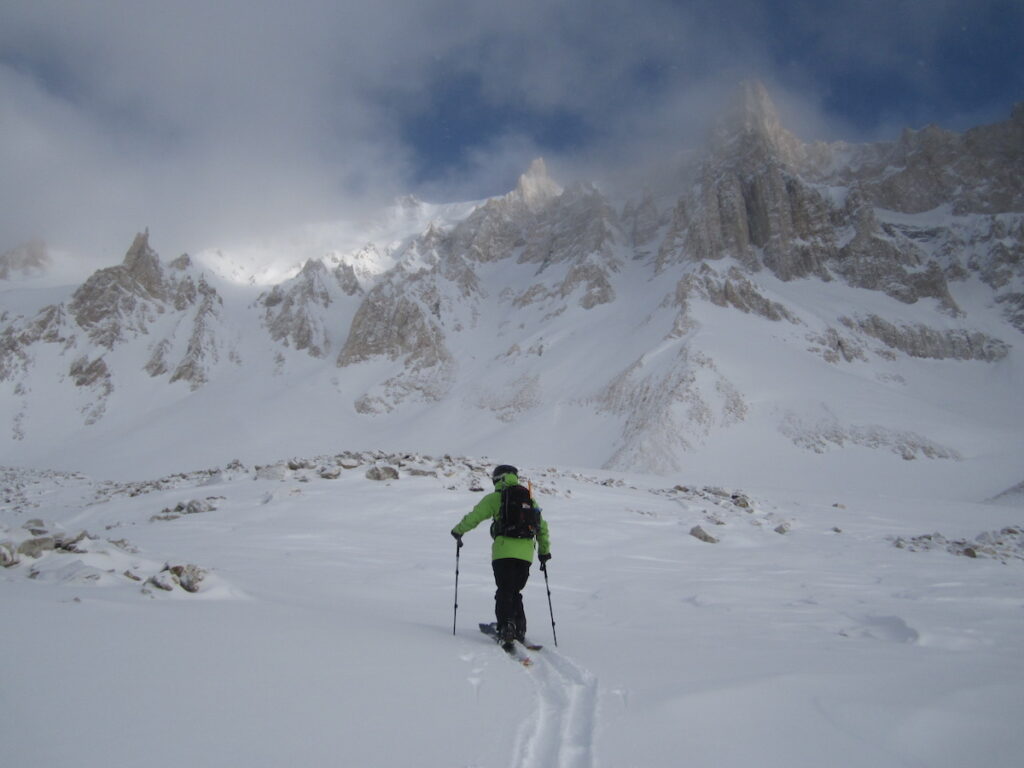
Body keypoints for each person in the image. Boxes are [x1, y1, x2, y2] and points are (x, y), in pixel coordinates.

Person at [451, 464, 551, 647]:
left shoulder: (496, 498)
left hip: (503, 553)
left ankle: (506, 627)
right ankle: (519, 628)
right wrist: (544, 553)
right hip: (526, 555)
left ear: (497, 479)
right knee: (515, 591)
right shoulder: (529, 499)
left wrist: (458, 531)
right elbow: (542, 528)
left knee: (504, 590)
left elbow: (475, 516)